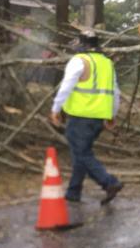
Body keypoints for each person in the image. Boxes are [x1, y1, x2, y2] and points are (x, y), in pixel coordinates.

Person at [49, 30, 124, 205]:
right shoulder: (107, 63)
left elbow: (66, 86)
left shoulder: (79, 61)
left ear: (82, 44)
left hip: (80, 117)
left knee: (82, 153)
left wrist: (55, 108)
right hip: (98, 118)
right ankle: (73, 192)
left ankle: (109, 182)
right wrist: (112, 114)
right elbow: (115, 91)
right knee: (80, 153)